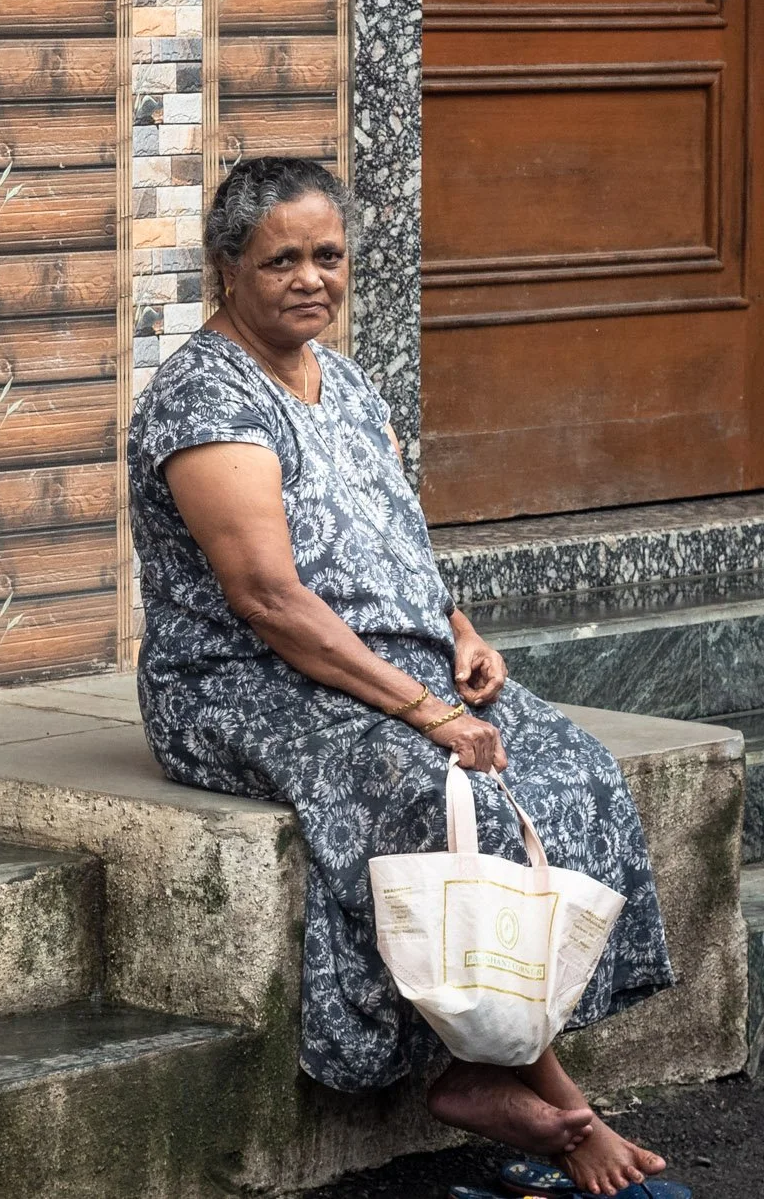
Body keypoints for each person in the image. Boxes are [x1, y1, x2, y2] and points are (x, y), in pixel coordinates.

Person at [126, 157, 677, 1197]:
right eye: (278, 258)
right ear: (225, 269)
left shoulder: (348, 379)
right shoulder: (204, 398)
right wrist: (425, 710)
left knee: (578, 770)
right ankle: (553, 1104)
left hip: (389, 656)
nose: (308, 279)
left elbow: (392, 541)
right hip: (243, 682)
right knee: (444, 786)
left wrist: (459, 630)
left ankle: (495, 1052)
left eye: (326, 256)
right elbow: (268, 600)